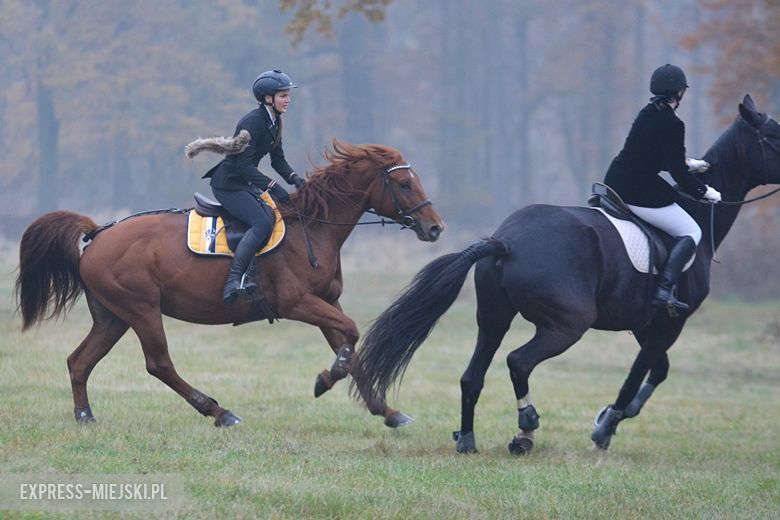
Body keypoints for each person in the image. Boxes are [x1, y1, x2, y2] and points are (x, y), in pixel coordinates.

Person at [604, 64, 721, 313]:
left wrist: (691, 164)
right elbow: (676, 172)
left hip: (615, 180)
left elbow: (654, 157)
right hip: (638, 190)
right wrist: (704, 192)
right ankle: (663, 290)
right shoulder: (672, 123)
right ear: (679, 92)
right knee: (690, 231)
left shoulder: (647, 112)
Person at [202, 69, 306, 304]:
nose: (288, 99)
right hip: (228, 184)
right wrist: (273, 186)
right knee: (262, 222)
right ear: (268, 98)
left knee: (274, 215)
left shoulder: (275, 121)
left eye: (288, 95)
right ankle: (234, 278)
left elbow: (277, 160)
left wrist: (294, 178)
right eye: (283, 95)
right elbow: (243, 166)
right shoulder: (252, 122)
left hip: (244, 183)